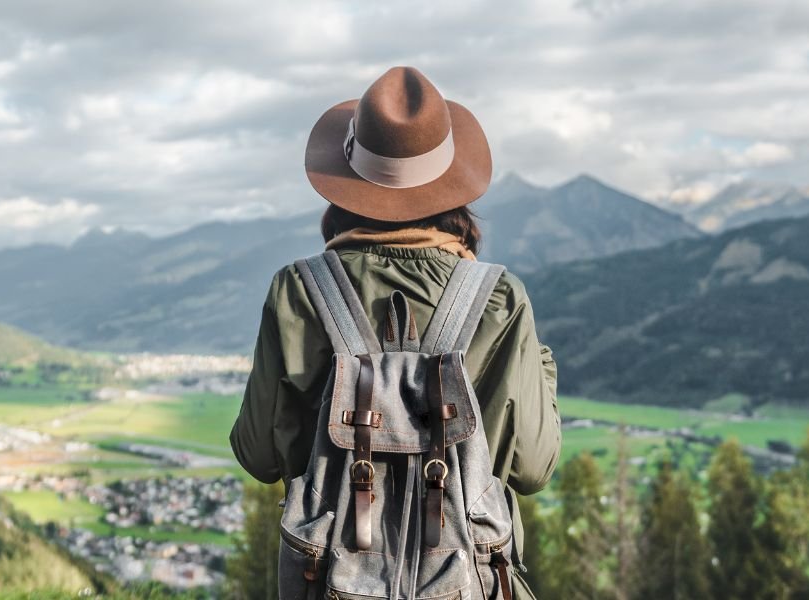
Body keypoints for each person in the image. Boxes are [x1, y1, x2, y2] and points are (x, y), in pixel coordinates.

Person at [230, 66, 561, 599]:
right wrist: (539, 365)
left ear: (345, 182)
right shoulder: (498, 298)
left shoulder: (298, 291)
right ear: (454, 187)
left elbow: (258, 455)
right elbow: (534, 467)